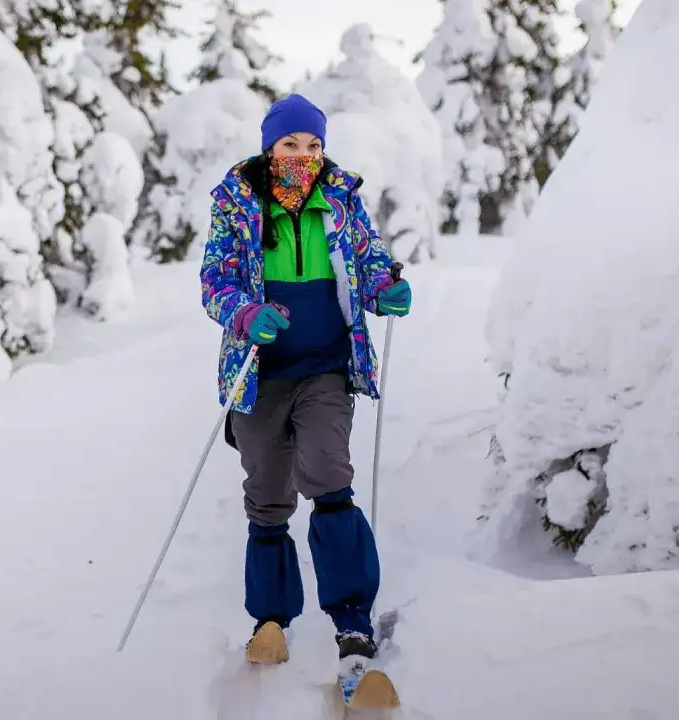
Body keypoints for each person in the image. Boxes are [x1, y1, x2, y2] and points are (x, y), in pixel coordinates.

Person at [198, 94, 412, 672]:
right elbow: (215, 278)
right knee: (267, 496)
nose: (303, 155)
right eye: (291, 144)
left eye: (313, 144)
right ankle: (270, 620)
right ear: (270, 147)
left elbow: (368, 262)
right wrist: (244, 313)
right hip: (260, 374)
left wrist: (384, 287)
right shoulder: (237, 205)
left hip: (325, 366)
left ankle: (352, 620)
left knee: (327, 472)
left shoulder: (339, 199)